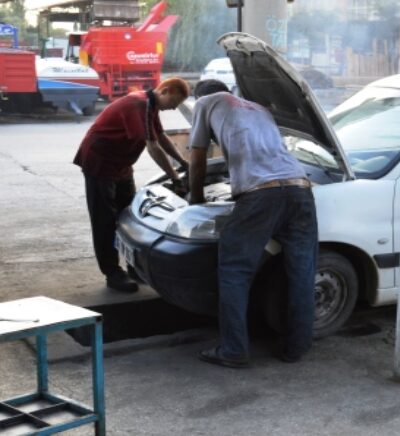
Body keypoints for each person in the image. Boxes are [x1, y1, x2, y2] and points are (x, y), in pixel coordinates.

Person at [188, 79, 318, 368]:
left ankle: (234, 350)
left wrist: (195, 199)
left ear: (200, 96)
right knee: (302, 271)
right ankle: (297, 346)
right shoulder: (260, 108)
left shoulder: (205, 103)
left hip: (260, 194)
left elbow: (197, 158)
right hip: (299, 188)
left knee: (235, 271)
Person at [74, 78, 190, 293]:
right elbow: (153, 147)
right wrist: (174, 177)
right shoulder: (140, 104)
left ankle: (134, 267)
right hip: (100, 162)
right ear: (164, 91)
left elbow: (161, 137)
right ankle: (112, 272)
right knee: (104, 219)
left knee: (129, 216)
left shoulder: (151, 107)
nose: (174, 108)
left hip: (122, 165)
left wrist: (184, 162)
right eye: (174, 102)